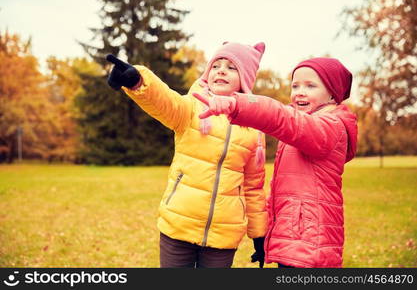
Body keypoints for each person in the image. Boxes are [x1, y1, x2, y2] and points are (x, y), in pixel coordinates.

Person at [105, 41, 268, 268]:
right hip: (178, 224)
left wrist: (259, 234)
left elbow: (253, 186)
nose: (221, 70)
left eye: (232, 67)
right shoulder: (190, 109)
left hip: (224, 234)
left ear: (246, 79)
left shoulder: (253, 128)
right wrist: (138, 80)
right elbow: (164, 100)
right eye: (216, 65)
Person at [193, 57, 358, 268]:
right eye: (295, 85)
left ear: (333, 94)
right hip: (296, 236)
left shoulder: (330, 127)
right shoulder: (303, 126)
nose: (299, 91)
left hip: (310, 240)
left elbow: (282, 118)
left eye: (310, 86)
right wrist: (266, 234)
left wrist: (238, 103)